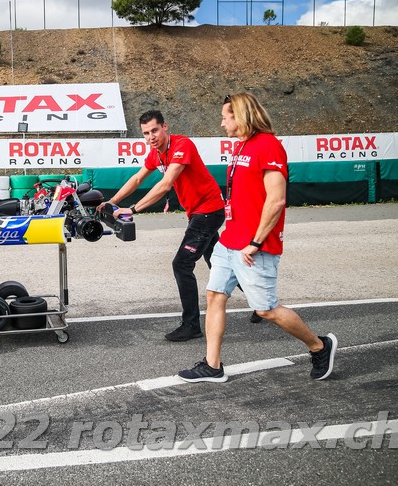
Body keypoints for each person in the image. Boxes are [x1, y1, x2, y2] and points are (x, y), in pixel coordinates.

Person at [178, 93, 337, 383]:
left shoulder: (269, 146)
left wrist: (256, 241)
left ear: (241, 116)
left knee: (266, 310)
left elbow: (276, 201)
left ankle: (319, 345)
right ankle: (212, 366)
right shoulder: (242, 147)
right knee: (214, 296)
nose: (222, 121)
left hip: (255, 247)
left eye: (226, 116)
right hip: (229, 241)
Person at [98, 109, 225, 342]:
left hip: (207, 211)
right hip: (199, 212)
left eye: (154, 130)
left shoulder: (182, 145)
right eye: (146, 133)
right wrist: (113, 201)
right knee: (219, 262)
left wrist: (133, 208)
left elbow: (166, 185)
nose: (151, 137)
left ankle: (191, 325)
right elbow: (137, 179)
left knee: (181, 264)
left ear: (165, 127)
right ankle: (260, 304)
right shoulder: (156, 154)